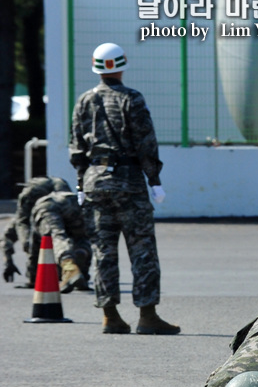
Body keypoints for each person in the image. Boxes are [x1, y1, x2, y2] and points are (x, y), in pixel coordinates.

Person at [69, 42, 178, 335]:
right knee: (142, 249)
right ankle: (147, 315)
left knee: (103, 250)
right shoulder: (133, 99)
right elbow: (146, 143)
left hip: (94, 183)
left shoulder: (84, 101)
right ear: (122, 64)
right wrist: (154, 180)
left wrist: (81, 182)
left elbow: (76, 147)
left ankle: (110, 315)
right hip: (128, 183)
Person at [26, 178, 91, 293]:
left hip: (48, 206)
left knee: (56, 236)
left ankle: (69, 267)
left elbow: (34, 249)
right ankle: (79, 262)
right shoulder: (61, 184)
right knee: (81, 237)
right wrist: (84, 276)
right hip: (72, 200)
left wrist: (33, 277)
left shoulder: (38, 204)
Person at [3, 176, 56, 288]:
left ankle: (37, 275)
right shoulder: (23, 214)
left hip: (53, 203)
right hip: (54, 202)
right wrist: (8, 261)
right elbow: (9, 235)